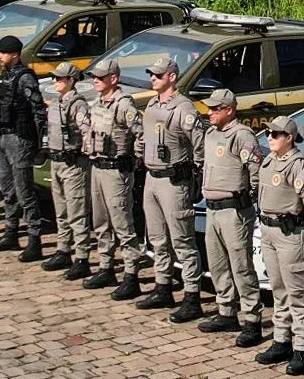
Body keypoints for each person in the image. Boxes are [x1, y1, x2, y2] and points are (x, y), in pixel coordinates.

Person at [255, 116, 304, 376]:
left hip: (290, 233)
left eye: (276, 134)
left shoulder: (298, 165)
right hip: (269, 231)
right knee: (278, 288)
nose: (270, 138)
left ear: (289, 138)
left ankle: (303, 348)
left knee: (297, 292)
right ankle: (282, 340)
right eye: (269, 134)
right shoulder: (271, 160)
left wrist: (298, 217)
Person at [137, 57, 204, 316]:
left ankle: (191, 296)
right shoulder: (153, 104)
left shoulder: (183, 109)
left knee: (182, 240)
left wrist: (195, 174)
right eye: (152, 74)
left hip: (175, 180)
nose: (153, 78)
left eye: (159, 75)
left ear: (172, 77)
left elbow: (199, 144)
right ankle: (163, 285)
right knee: (157, 238)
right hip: (152, 178)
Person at [197, 89, 265, 345]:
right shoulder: (211, 134)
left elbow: (255, 171)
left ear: (229, 110)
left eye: (215, 109)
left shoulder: (241, 136)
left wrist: (252, 200)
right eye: (210, 109)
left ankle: (252, 319)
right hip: (213, 208)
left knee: (241, 266)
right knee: (217, 264)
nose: (210, 113)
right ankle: (226, 310)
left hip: (234, 210)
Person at [82, 59, 143, 300]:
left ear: (113, 79)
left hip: (117, 171)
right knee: (100, 221)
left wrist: (135, 160)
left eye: (100, 77)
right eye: (94, 77)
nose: (95, 80)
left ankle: (131, 274)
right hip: (97, 167)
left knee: (122, 224)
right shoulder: (98, 103)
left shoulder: (123, 105)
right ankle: (106, 266)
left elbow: (140, 134)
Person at [0, 35, 45, 259]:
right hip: (3, 138)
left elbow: (38, 111)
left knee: (25, 193)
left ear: (14, 54)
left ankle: (34, 239)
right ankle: (11, 232)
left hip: (20, 140)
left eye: (3, 53)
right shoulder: (6, 76)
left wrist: (39, 144)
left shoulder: (24, 78)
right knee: (8, 190)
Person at [41, 61, 93, 277]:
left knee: (76, 212)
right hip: (57, 161)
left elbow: (87, 131)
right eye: (54, 78)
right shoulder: (57, 103)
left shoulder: (77, 105)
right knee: (61, 211)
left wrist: (83, 151)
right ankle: (63, 249)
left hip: (73, 164)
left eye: (60, 79)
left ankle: (82, 256)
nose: (55, 82)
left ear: (71, 81)